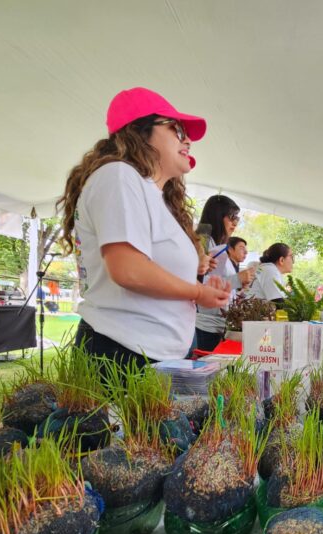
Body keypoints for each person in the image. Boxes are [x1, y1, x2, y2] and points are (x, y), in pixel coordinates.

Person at [56, 87, 231, 368]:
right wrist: (198, 293)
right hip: (122, 353)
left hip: (148, 353)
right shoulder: (118, 175)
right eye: (177, 129)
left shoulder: (152, 194)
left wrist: (200, 286)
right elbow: (129, 270)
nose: (187, 140)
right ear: (140, 131)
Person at [195, 195, 256, 351]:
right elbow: (201, 283)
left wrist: (240, 287)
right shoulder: (203, 241)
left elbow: (216, 281)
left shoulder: (217, 246)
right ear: (217, 215)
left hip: (218, 323)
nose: (235, 223)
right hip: (207, 324)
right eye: (232, 217)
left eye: (237, 218)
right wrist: (237, 279)